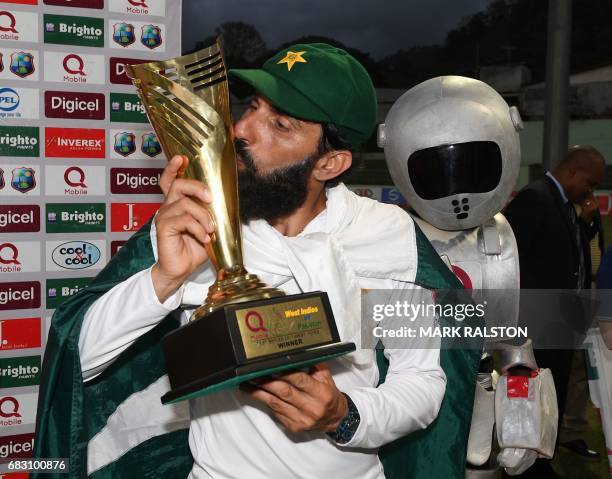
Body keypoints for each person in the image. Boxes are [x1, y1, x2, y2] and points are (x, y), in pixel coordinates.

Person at [33, 43, 480, 479]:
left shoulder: (385, 234)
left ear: (330, 163)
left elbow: (422, 381)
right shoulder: (195, 218)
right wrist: (164, 277)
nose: (241, 130)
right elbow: (80, 361)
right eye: (252, 107)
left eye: (279, 124)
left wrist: (345, 415)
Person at [503, 145, 606, 477]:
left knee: (551, 397)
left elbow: (572, 257)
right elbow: (510, 257)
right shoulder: (537, 197)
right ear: (573, 172)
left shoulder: (563, 203)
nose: (591, 191)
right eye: (590, 182)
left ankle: (540, 460)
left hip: (557, 322)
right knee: (533, 399)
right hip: (536, 324)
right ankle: (526, 466)